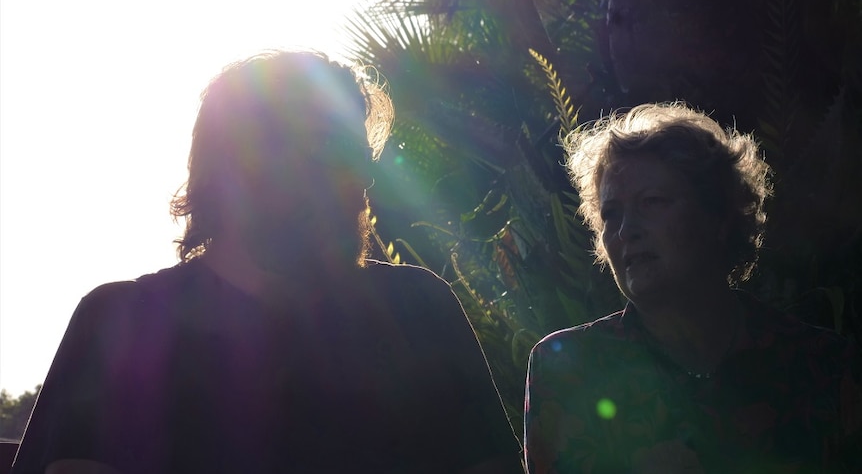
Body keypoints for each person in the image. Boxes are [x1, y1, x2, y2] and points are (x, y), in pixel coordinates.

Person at [13, 50, 524, 474]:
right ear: (219, 170)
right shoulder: (118, 322)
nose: (340, 181)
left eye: (345, 155)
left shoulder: (419, 310)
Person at [523, 102, 861, 473]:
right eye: (611, 214)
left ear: (718, 216)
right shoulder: (568, 370)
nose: (626, 230)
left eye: (651, 202)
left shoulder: (820, 367)